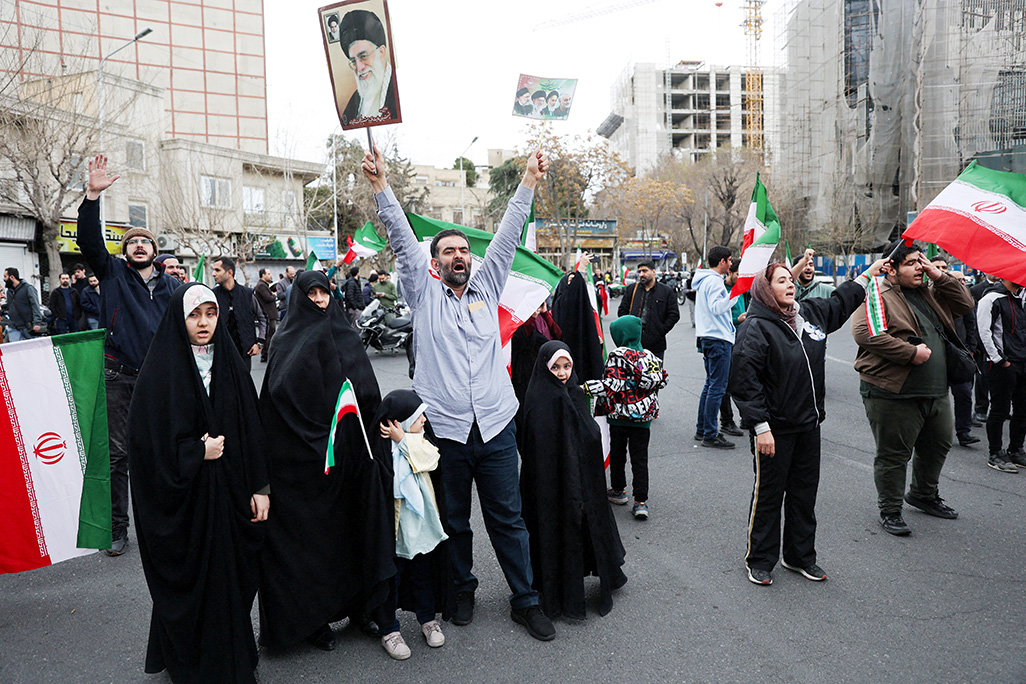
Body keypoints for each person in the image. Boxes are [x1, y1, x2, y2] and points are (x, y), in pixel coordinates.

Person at [362, 144, 557, 642]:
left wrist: (529, 181)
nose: (458, 256)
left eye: (463, 250)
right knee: (454, 520)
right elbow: (402, 238)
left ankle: (526, 600)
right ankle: (462, 589)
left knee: (508, 519)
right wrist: (382, 186)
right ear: (434, 262)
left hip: (495, 426)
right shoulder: (422, 293)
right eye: (448, 251)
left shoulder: (487, 287)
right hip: (445, 431)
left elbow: (508, 234)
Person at [127, 283, 269, 684]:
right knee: (197, 583)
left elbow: (252, 429)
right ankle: (192, 664)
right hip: (186, 504)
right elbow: (147, 446)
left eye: (210, 313)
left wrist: (260, 487)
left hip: (231, 494)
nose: (203, 323)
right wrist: (195, 452)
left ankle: (232, 660)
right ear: (179, 319)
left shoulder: (230, 364)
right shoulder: (161, 372)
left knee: (231, 578)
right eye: (194, 315)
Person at [258, 270, 391, 651]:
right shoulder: (288, 339)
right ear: (299, 297)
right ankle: (312, 621)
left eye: (323, 292)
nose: (318, 299)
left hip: (354, 459)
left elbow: (366, 392)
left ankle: (361, 609)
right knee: (313, 545)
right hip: (306, 464)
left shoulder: (346, 334)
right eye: (311, 293)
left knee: (357, 533)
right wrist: (317, 440)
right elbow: (279, 399)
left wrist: (377, 429)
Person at [730, 259, 884, 586]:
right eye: (781, 280)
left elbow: (840, 302)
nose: (789, 284)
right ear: (765, 289)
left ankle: (799, 556)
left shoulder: (810, 313)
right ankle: (760, 559)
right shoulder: (755, 327)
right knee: (769, 496)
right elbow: (745, 383)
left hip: (808, 425)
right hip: (774, 430)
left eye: (791, 279)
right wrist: (761, 428)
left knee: (804, 495)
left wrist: (867, 274)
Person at [77, 154, 179, 556]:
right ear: (125, 251)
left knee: (162, 452)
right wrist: (92, 196)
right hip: (118, 376)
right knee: (118, 455)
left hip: (160, 379)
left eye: (145, 241)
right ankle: (118, 528)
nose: (139, 245)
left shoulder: (173, 287)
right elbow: (89, 241)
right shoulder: (113, 273)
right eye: (132, 241)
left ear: (154, 250)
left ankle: (164, 525)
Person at [852, 240, 974, 536]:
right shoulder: (877, 293)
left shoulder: (930, 291)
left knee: (938, 445)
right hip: (893, 392)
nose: (920, 267)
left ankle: (923, 494)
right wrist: (909, 353)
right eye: (911, 263)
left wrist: (939, 275)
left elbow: (965, 305)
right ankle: (890, 509)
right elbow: (864, 333)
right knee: (894, 455)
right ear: (891, 268)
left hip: (936, 391)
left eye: (921, 261)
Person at [519, 341, 628, 618]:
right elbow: (537, 447)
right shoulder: (538, 399)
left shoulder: (575, 393)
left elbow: (588, 433)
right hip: (551, 483)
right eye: (555, 367)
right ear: (544, 368)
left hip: (580, 478)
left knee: (583, 524)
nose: (562, 373)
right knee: (555, 527)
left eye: (566, 366)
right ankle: (555, 588)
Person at [371, 390, 452, 660]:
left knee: (422, 574)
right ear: (401, 421)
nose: (424, 421)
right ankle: (389, 630)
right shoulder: (382, 451)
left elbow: (431, 458)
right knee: (391, 579)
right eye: (418, 417)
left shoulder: (417, 440)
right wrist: (400, 442)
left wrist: (403, 439)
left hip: (420, 528)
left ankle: (428, 619)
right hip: (394, 531)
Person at [585, 316, 668, 521]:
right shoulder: (649, 356)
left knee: (618, 454)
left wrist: (584, 388)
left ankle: (618, 490)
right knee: (640, 459)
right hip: (644, 418)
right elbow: (661, 381)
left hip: (619, 417)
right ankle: (641, 502)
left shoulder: (617, 356)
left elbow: (612, 385)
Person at [976, 276, 1026, 473]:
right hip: (1002, 364)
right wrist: (1000, 360)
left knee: (1022, 409)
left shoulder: (1021, 298)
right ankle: (995, 452)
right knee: (1000, 409)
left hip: (1022, 362)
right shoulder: (991, 298)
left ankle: (1016, 450)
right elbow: (983, 332)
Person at [930, 259, 981, 448]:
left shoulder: (960, 294)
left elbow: (970, 322)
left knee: (964, 393)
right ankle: (933, 433)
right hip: (935, 353)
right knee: (935, 396)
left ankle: (963, 431)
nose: (942, 270)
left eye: (944, 267)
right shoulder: (924, 293)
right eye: (937, 267)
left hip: (960, 353)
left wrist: (970, 348)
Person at [693, 246, 737, 449]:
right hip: (718, 338)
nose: (731, 264)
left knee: (710, 385)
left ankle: (703, 429)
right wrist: (735, 294)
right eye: (729, 260)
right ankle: (710, 434)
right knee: (717, 387)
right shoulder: (715, 281)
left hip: (708, 336)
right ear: (722, 261)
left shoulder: (704, 280)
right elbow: (717, 308)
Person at [339, 9, 398, 125]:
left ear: (381, 52)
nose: (359, 68)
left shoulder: (397, 90)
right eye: (353, 61)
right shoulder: (355, 100)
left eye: (363, 57)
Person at [616, 259, 680, 360]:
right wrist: (629, 329)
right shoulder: (632, 289)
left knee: (654, 370)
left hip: (656, 345)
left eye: (645, 271)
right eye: (639, 272)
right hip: (633, 344)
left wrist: (661, 330)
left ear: (653, 272)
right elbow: (622, 311)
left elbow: (674, 315)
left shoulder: (666, 291)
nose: (641, 274)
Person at [510, 301, 562, 410]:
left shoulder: (543, 316)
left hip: (548, 366)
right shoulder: (521, 318)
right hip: (528, 370)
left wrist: (545, 313)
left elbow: (557, 335)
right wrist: (532, 317)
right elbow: (525, 340)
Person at [211, 257, 260, 371]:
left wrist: (259, 343)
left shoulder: (247, 294)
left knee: (244, 381)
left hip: (244, 352)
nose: (213, 274)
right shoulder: (212, 295)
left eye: (217, 270)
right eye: (213, 270)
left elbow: (263, 318)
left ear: (229, 273)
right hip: (221, 353)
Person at [719, 260, 748, 437]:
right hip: (725, 340)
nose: (741, 278)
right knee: (725, 385)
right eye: (739, 274)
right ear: (730, 272)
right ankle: (726, 421)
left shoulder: (742, 288)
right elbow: (717, 315)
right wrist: (738, 320)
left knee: (744, 381)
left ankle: (746, 417)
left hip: (742, 340)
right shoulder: (721, 289)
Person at [3, 267, 42, 341]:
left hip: (28, 327)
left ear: (12, 277)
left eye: (5, 276)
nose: (3, 279)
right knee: (15, 347)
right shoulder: (9, 292)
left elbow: (35, 306)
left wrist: (37, 323)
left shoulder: (28, 288)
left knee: (31, 346)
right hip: (14, 327)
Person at [253, 268, 278, 362]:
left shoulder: (264, 285)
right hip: (267, 314)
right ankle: (266, 354)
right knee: (268, 335)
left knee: (271, 334)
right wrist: (274, 295)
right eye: (268, 274)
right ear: (263, 275)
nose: (270, 275)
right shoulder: (261, 286)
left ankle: (268, 353)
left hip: (269, 314)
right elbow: (268, 298)